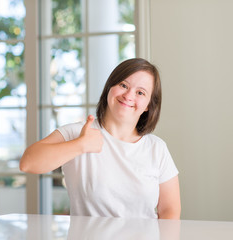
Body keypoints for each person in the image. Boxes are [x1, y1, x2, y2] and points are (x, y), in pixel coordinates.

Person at [20, 58, 181, 219]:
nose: (128, 95)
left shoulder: (157, 148)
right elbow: (28, 163)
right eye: (123, 85)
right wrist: (80, 145)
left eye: (140, 92)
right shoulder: (77, 133)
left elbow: (170, 210)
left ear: (148, 105)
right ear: (109, 88)